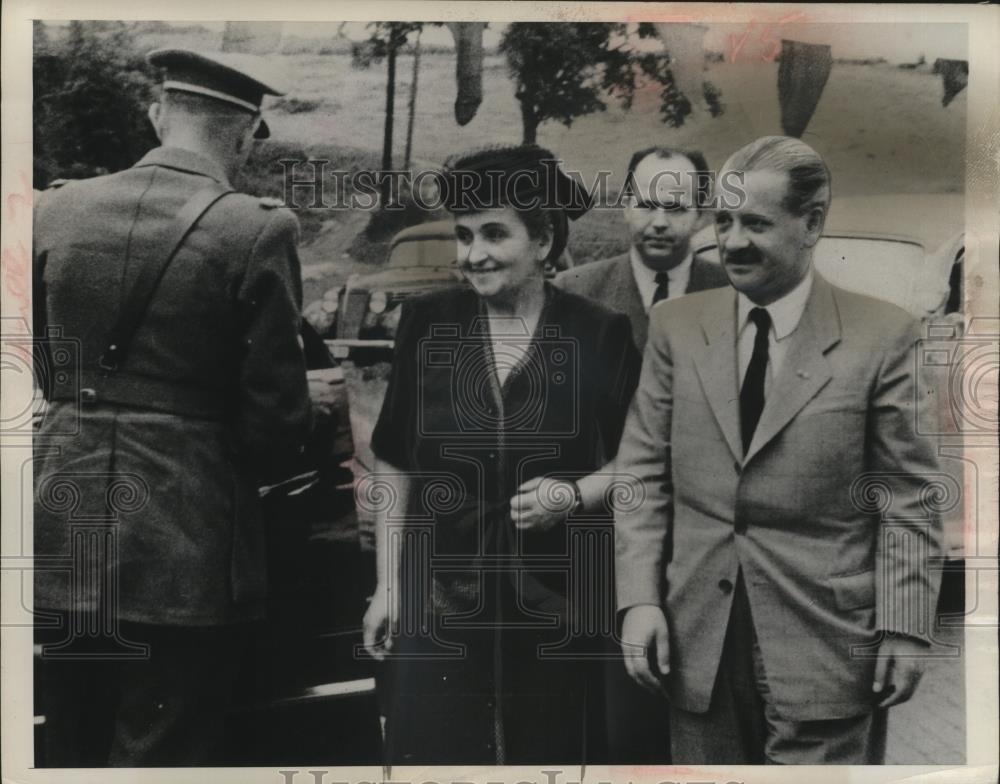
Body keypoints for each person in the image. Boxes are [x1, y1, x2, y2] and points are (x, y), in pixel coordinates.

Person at [613, 136, 942, 764]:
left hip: (826, 645)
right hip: (696, 645)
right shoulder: (676, 328)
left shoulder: (882, 336)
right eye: (724, 221)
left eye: (756, 224)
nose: (732, 242)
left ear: (812, 223)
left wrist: (905, 624)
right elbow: (642, 476)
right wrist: (640, 599)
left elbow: (908, 494)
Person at [32, 48, 314, 766]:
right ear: (248, 133)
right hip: (184, 542)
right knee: (165, 749)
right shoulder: (256, 228)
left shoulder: (57, 206)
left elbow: (41, 363)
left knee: (68, 738)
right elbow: (277, 419)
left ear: (158, 114)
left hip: (64, 524)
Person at [363, 144, 641, 764]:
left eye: (494, 233)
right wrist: (386, 585)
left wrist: (572, 495)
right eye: (463, 236)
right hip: (438, 590)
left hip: (557, 595)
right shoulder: (426, 324)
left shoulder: (599, 331)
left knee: (549, 749)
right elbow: (394, 458)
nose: (473, 255)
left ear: (542, 240)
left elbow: (641, 460)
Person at [556, 146, 729, 350]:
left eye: (676, 209)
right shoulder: (571, 291)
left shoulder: (732, 292)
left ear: (699, 216)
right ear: (626, 209)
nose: (660, 222)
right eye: (647, 206)